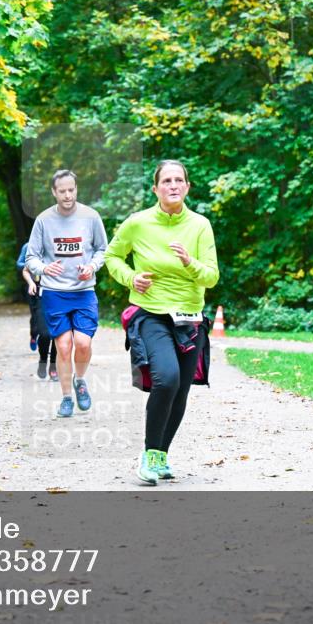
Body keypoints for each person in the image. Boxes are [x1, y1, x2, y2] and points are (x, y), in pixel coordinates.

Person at [105, 160, 219, 485]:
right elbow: (112, 257)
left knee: (181, 391)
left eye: (178, 180)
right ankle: (148, 454)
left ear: (187, 187)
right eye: (166, 180)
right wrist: (131, 278)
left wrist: (189, 262)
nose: (173, 185)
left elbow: (211, 277)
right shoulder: (137, 223)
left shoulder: (200, 225)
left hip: (190, 318)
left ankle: (160, 456)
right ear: (155, 188)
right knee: (166, 379)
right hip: (151, 313)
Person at [25, 170, 108, 417]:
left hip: (83, 291)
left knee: (83, 343)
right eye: (62, 191)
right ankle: (66, 398)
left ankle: (79, 380)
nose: (67, 195)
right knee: (63, 347)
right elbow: (31, 257)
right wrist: (43, 268)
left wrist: (92, 266)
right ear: (54, 192)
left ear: (76, 188)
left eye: (71, 190)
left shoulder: (91, 217)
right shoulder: (43, 220)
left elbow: (102, 250)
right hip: (54, 292)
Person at [16, 241, 58, 380]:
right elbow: (24, 269)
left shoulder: (61, 249)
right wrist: (31, 283)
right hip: (40, 294)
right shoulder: (32, 248)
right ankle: (42, 360)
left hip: (61, 296)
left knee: (58, 334)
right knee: (44, 334)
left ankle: (53, 366)